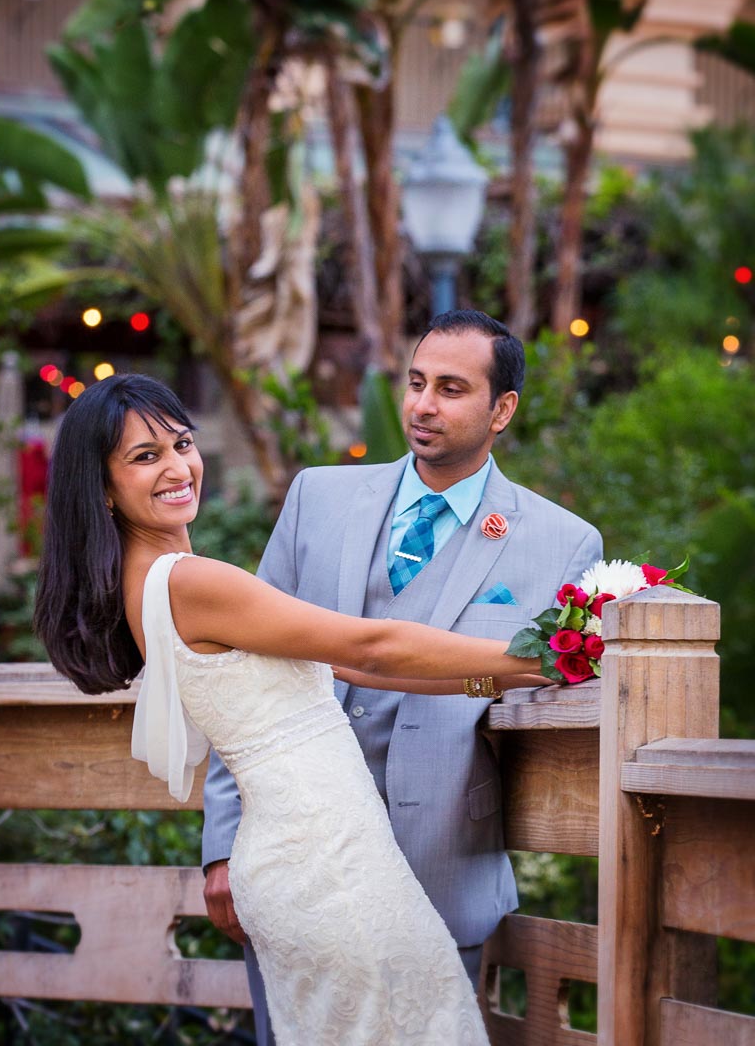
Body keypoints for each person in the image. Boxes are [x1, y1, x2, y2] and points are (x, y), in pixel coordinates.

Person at [34, 370, 549, 1046]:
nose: (177, 467)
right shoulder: (193, 582)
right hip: (327, 868)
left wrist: (501, 682)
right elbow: (372, 642)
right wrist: (542, 658)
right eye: (144, 456)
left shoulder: (151, 584)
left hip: (307, 861)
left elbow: (350, 667)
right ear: (102, 487)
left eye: (181, 444)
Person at [203, 309, 603, 1045]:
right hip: (294, 860)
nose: (422, 405)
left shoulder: (561, 544)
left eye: (451, 388)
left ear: (501, 409)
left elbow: (550, 682)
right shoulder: (316, 500)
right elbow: (241, 677)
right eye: (417, 383)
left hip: (437, 869)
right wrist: (224, 845)